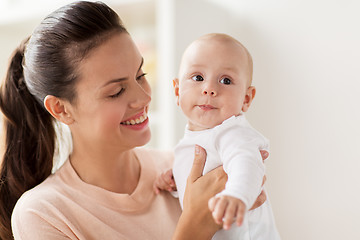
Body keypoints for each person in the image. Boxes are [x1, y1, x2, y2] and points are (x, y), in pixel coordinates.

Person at [0, 2, 268, 240]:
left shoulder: (183, 170)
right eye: (116, 91)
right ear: (61, 109)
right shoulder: (43, 214)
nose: (143, 98)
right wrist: (195, 228)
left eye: (141, 75)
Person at [154, 33, 281, 239]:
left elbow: (246, 164)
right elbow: (200, 187)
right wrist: (176, 179)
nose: (209, 89)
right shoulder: (195, 139)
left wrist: (237, 195)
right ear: (177, 91)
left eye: (225, 80)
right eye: (198, 78)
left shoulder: (233, 132)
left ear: (246, 99)